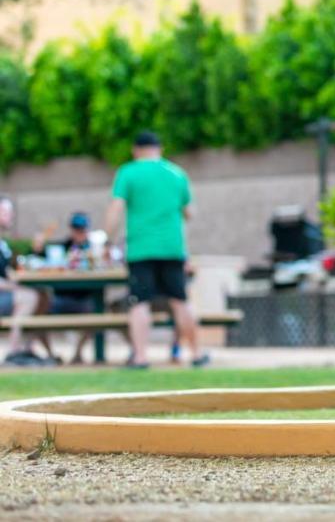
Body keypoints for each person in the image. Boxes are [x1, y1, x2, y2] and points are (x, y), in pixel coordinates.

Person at [104, 131, 207, 369]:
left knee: (140, 302)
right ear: (159, 148)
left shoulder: (128, 172)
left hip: (141, 248)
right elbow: (190, 212)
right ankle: (196, 354)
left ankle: (140, 357)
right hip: (172, 248)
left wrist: (108, 240)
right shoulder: (177, 173)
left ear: (135, 149)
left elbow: (116, 208)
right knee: (180, 301)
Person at [32, 212, 98, 363]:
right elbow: (39, 260)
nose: (79, 233)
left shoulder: (94, 249)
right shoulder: (61, 247)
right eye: (76, 229)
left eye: (82, 229)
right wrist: (37, 249)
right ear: (71, 229)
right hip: (60, 299)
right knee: (37, 314)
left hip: (84, 300)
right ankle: (50, 355)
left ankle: (78, 353)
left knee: (99, 311)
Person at [0, 199, 47, 366]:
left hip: (5, 294)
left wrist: (35, 250)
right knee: (28, 297)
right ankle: (13, 351)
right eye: (5, 212)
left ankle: (27, 348)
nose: (10, 215)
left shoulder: (3, 243)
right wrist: (15, 286)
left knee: (42, 296)